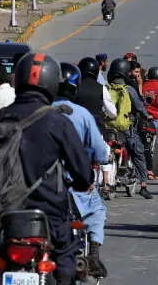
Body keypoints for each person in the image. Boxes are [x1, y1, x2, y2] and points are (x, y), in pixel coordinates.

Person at [0, 53, 94, 285]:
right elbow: (83, 173)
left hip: (3, 213)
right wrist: (84, 183)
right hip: (49, 214)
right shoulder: (58, 121)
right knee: (66, 252)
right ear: (53, 83)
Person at [54, 62, 110, 279]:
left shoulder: (37, 111)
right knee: (97, 211)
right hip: (74, 182)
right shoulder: (82, 114)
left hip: (36, 183)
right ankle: (93, 252)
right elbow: (100, 153)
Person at [106, 59, 153, 199]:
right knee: (139, 153)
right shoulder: (129, 90)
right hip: (125, 128)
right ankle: (143, 186)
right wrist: (147, 116)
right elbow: (140, 108)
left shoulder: (106, 88)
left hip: (107, 128)